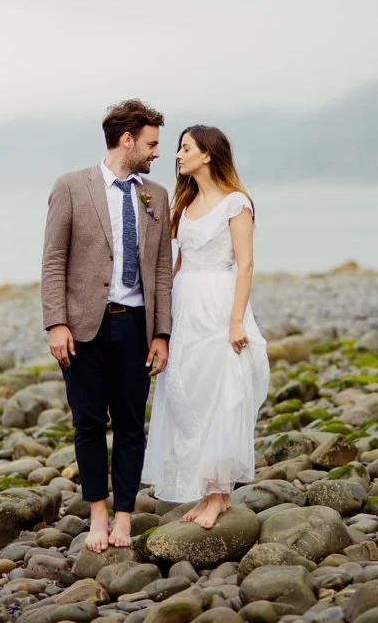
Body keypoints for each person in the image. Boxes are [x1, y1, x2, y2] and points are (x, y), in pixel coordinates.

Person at [41, 99, 173, 552]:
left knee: (133, 426)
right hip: (82, 328)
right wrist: (56, 323)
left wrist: (162, 333)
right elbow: (54, 259)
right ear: (127, 139)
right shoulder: (71, 186)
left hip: (136, 327)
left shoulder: (156, 193)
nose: (157, 152)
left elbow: (160, 268)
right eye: (152, 143)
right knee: (89, 424)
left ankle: (124, 517)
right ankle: (97, 515)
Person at [141, 124, 270, 529]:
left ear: (207, 155)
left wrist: (236, 321)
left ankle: (219, 494)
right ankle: (203, 490)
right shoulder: (187, 202)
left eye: (185, 148)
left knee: (221, 392)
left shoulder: (236, 204)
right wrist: (165, 314)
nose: (177, 156)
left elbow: (245, 264)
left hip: (218, 303)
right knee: (186, 394)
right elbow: (178, 263)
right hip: (187, 303)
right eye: (178, 149)